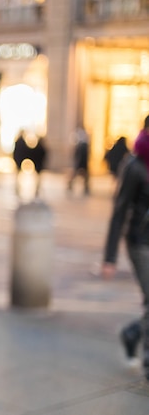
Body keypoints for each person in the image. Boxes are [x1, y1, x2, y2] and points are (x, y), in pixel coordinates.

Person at [102, 115, 149, 382]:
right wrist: (110, 257)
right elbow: (119, 211)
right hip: (140, 242)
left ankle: (133, 333)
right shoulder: (135, 166)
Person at [67, 126, 90, 195]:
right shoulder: (83, 145)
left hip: (80, 162)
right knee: (80, 175)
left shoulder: (82, 145)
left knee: (82, 175)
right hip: (81, 162)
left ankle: (85, 187)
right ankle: (72, 185)